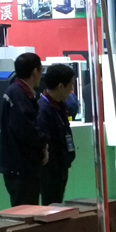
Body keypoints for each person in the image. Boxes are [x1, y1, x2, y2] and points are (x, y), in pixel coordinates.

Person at [0, 52, 49, 207]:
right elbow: (26, 130)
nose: (41, 75)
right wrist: (44, 141)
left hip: (21, 166)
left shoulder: (18, 92)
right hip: (21, 167)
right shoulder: (18, 94)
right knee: (26, 212)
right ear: (35, 71)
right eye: (41, 70)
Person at [37, 63, 77, 205]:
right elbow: (44, 142)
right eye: (70, 85)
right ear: (60, 86)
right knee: (51, 206)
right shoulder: (43, 109)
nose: (72, 90)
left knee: (57, 204)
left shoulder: (60, 106)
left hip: (60, 168)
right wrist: (56, 166)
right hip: (50, 171)